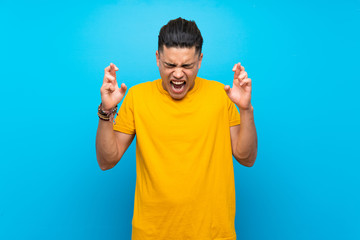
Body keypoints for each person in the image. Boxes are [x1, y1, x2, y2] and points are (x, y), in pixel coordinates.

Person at [95, 17, 257, 240]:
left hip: (213, 233)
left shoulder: (221, 95)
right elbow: (106, 161)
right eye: (170, 65)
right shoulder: (138, 97)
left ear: (199, 60)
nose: (178, 74)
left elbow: (246, 158)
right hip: (151, 233)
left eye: (187, 66)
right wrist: (106, 112)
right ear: (158, 59)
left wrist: (246, 109)